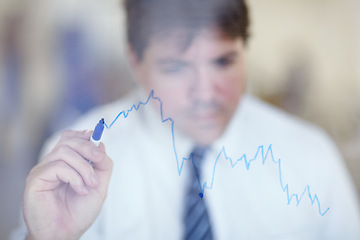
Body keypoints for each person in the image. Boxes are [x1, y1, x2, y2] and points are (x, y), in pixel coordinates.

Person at [19, 0, 360, 239]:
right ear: (135, 61)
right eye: (177, 67)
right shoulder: (75, 166)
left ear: (245, 49)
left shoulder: (311, 155)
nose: (206, 92)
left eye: (223, 62)